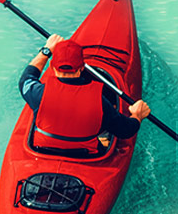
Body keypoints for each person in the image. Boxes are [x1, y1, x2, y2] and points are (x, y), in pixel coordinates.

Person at [19, 33, 150, 156]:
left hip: (43, 149)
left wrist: (46, 51)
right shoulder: (100, 101)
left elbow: (26, 77)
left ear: (53, 68)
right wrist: (137, 115)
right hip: (84, 153)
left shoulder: (38, 93)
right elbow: (126, 130)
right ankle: (102, 137)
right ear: (82, 68)